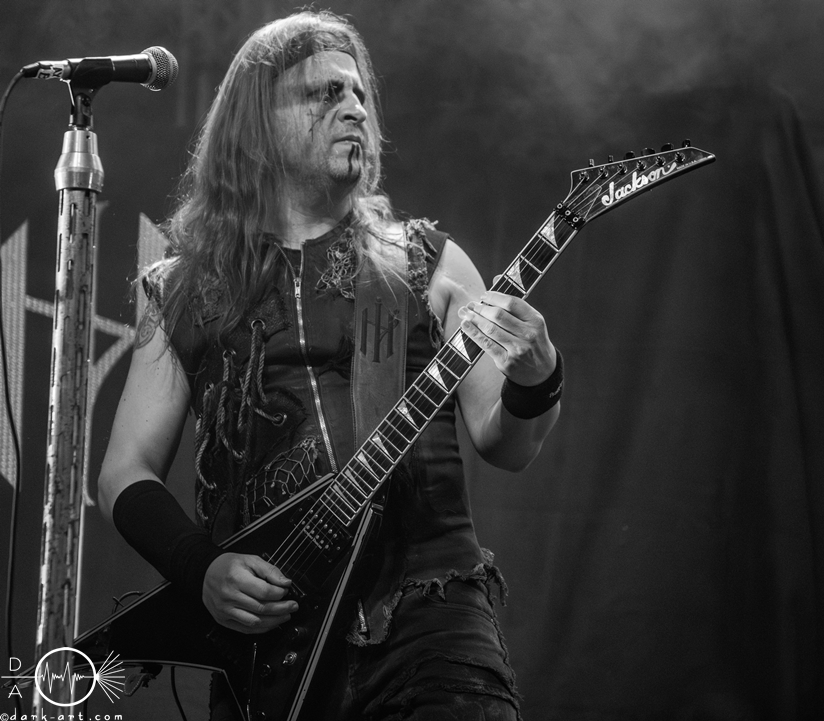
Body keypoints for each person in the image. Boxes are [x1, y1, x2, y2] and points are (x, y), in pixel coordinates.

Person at [96, 10, 562, 719]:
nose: (355, 109)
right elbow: (123, 472)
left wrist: (537, 377)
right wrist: (202, 567)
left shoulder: (426, 262)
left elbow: (507, 443)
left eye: (359, 94)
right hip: (270, 650)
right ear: (257, 125)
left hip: (426, 620)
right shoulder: (183, 288)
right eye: (324, 93)